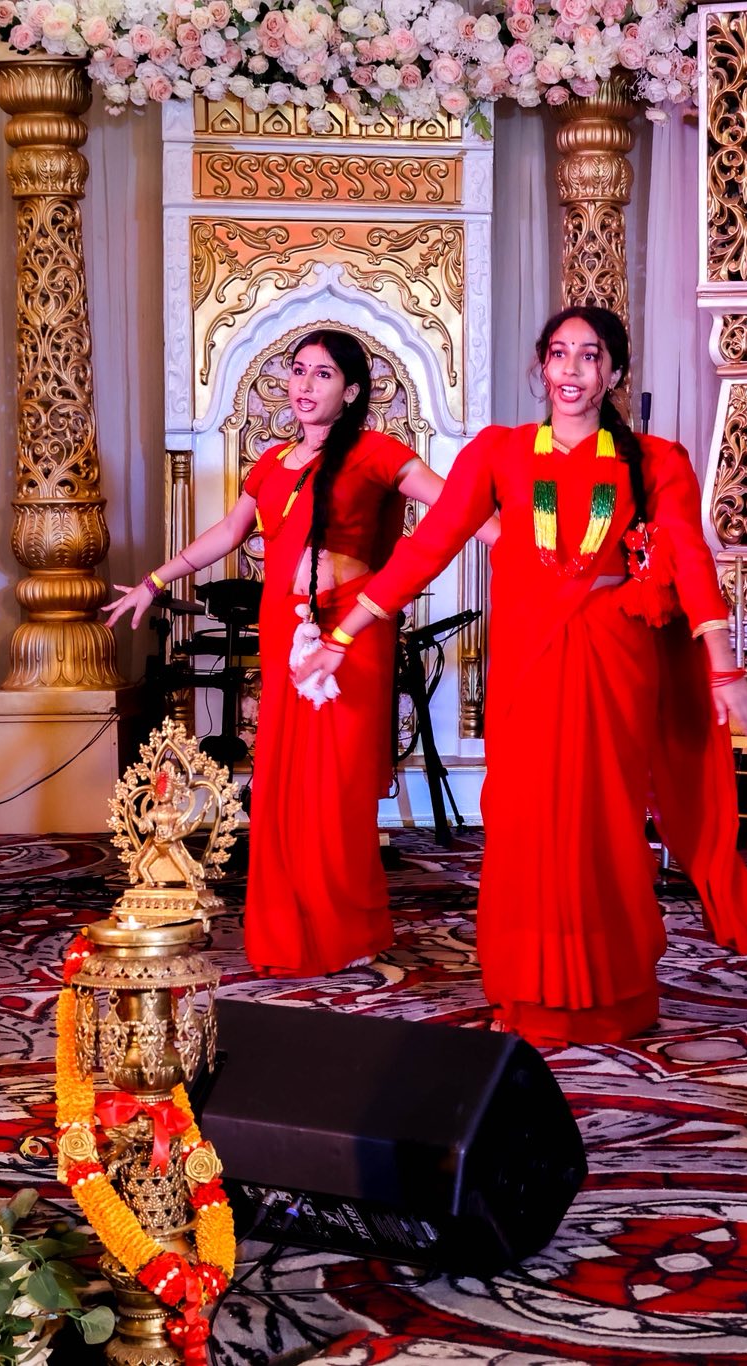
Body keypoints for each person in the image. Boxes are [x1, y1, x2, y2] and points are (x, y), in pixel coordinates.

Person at [297, 306, 747, 1047]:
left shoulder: (656, 460)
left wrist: (725, 669)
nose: (571, 370)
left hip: (613, 658)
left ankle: (614, 992)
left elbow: (690, 559)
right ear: (541, 366)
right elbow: (429, 547)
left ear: (613, 372)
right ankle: (526, 988)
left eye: (589, 356)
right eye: (559, 354)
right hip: (528, 657)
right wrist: (345, 632)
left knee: (606, 821)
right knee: (524, 820)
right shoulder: (499, 452)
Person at [104, 328, 489, 979]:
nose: (305, 385)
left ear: (352, 391)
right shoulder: (272, 462)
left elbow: (458, 505)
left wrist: (525, 549)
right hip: (287, 631)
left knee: (336, 786)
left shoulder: (375, 452)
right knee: (286, 786)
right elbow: (229, 533)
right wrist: (155, 580)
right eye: (299, 370)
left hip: (352, 632)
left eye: (323, 374)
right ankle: (292, 930)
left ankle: (346, 929)